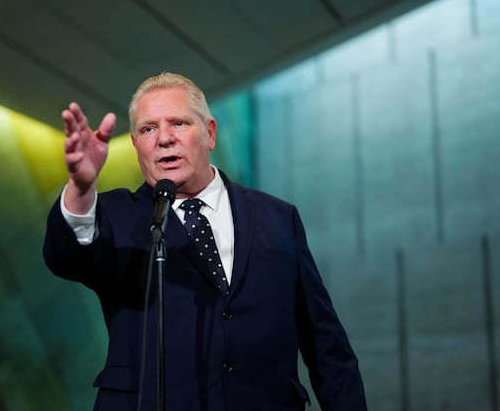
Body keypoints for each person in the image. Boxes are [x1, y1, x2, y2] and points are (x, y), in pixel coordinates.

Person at [43, 72, 367, 410]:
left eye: (179, 123)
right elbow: (66, 258)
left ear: (210, 134)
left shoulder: (278, 217)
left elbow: (325, 343)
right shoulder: (114, 215)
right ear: (137, 145)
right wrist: (81, 190)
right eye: (148, 129)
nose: (164, 138)